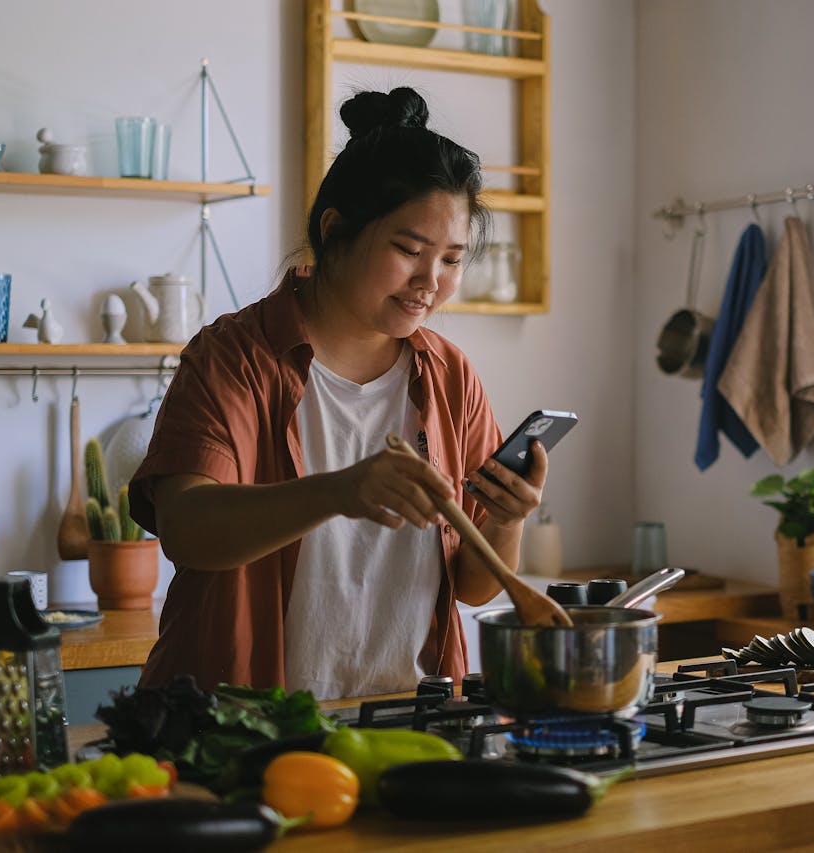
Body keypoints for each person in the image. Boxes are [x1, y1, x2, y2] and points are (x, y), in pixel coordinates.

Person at [128, 87, 548, 698]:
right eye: (409, 250)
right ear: (335, 231)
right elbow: (187, 530)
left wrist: (506, 523)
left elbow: (474, 587)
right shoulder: (235, 357)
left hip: (405, 721)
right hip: (243, 728)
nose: (430, 282)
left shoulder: (450, 377)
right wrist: (341, 490)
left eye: (452, 260)